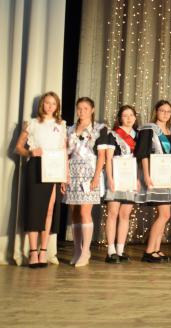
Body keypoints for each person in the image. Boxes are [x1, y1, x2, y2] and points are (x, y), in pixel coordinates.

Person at [15, 91, 67, 269]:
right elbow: (18, 147)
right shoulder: (32, 123)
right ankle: (32, 252)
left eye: (53, 103)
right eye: (47, 103)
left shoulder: (61, 125)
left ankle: (43, 250)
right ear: (42, 105)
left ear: (57, 106)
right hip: (36, 167)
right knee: (34, 208)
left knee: (49, 210)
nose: (50, 106)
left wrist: (64, 177)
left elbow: (64, 151)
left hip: (54, 168)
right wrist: (30, 152)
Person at [64, 96, 106, 267]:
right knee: (74, 212)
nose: (82, 111)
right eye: (79, 108)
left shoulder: (99, 128)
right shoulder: (70, 129)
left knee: (84, 212)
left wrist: (96, 177)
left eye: (86, 108)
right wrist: (64, 175)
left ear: (92, 110)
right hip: (72, 171)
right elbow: (66, 154)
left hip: (89, 172)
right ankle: (77, 250)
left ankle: (86, 251)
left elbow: (102, 155)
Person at [135, 100, 171, 263]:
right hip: (155, 174)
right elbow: (143, 154)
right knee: (165, 214)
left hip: (167, 176)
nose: (165, 114)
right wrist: (146, 175)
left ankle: (156, 249)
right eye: (162, 111)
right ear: (156, 111)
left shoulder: (170, 131)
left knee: (164, 214)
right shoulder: (149, 129)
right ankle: (149, 251)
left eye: (168, 111)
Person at [100, 104, 141, 263]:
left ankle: (120, 250)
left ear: (135, 117)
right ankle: (110, 251)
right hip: (116, 175)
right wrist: (110, 178)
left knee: (125, 214)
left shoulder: (138, 135)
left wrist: (137, 178)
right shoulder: (113, 134)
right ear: (119, 118)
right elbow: (108, 158)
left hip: (130, 176)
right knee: (113, 213)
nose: (129, 118)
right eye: (125, 115)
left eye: (131, 115)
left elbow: (138, 160)